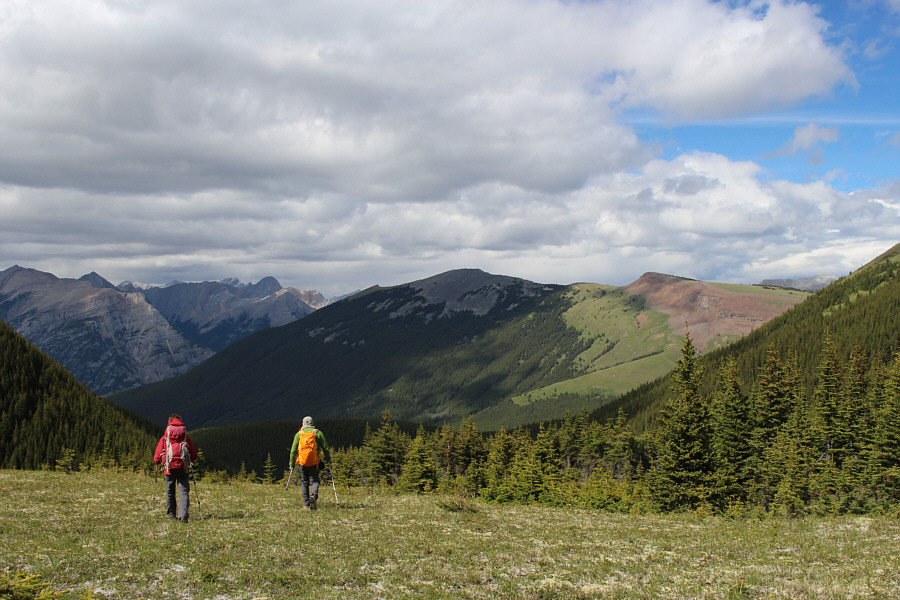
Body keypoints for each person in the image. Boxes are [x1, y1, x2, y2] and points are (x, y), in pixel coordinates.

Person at [153, 414, 199, 522]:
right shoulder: (186, 438)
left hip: (169, 470)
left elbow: (157, 456)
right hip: (183, 469)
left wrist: (158, 461)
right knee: (183, 492)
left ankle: (171, 514)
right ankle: (183, 516)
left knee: (170, 491)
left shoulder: (165, 438)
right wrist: (188, 462)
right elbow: (194, 455)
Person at [288, 416, 331, 510]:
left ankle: (306, 505)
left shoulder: (299, 434)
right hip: (314, 462)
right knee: (315, 480)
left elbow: (293, 450)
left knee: (304, 482)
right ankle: (314, 496)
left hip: (302, 463)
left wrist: (291, 464)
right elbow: (326, 448)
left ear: (303, 423)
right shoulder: (317, 433)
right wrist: (328, 459)